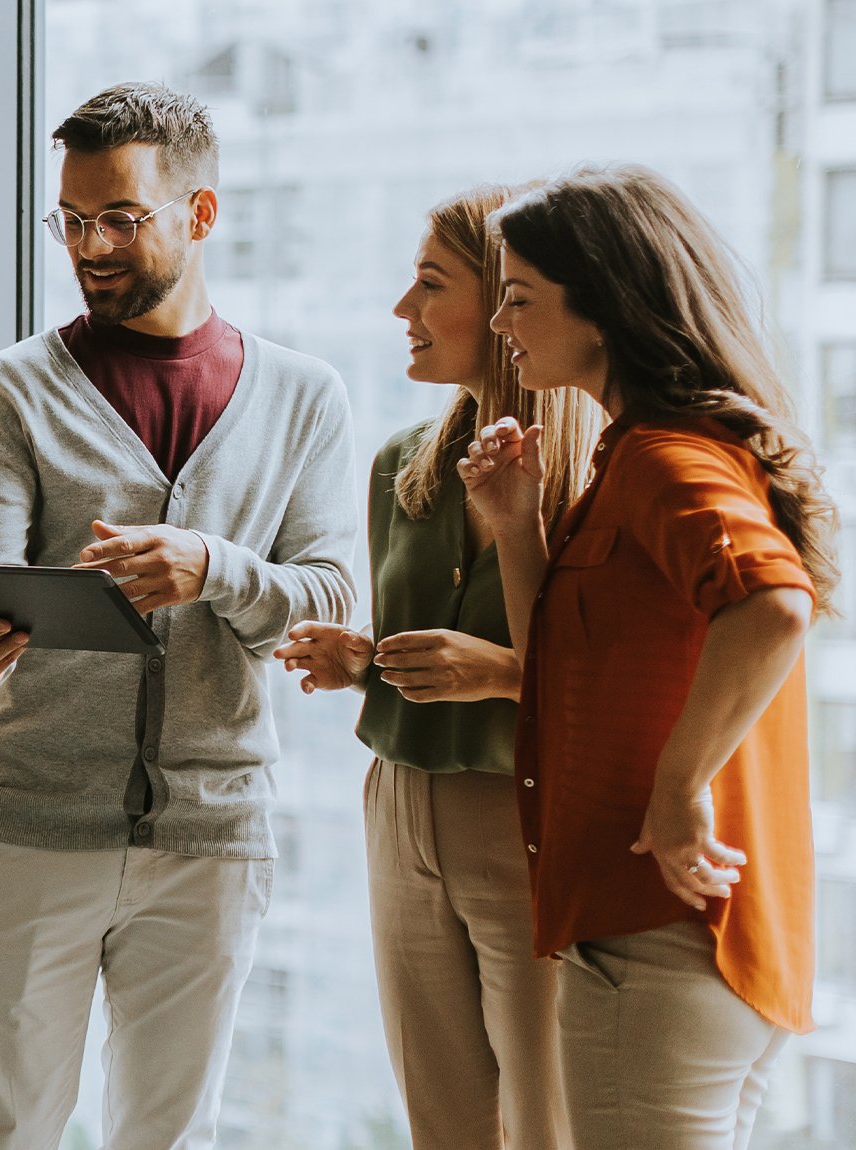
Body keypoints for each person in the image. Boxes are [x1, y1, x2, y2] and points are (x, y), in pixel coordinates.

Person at [0, 82, 357, 1150]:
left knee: (171, 1135)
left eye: (120, 217)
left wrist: (214, 567)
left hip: (214, 833)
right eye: (71, 220)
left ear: (200, 215)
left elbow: (333, 597)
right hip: (32, 822)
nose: (89, 245)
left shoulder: (306, 398)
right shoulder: (10, 393)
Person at [460, 165, 835, 1148]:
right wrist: (515, 527)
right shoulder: (641, 455)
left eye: (520, 297)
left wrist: (679, 789)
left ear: (604, 307)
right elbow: (564, 674)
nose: (503, 322)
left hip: (658, 939)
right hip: (686, 947)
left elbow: (775, 606)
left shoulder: (667, 457)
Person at [273, 184, 600, 1149]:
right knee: (442, 1119)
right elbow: (417, 654)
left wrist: (497, 673)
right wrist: (360, 663)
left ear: (508, 303)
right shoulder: (399, 466)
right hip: (398, 805)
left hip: (523, 814)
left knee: (547, 1117)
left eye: (428, 285)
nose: (401, 312)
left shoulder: (594, 479)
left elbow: (605, 684)